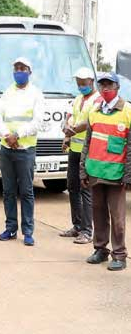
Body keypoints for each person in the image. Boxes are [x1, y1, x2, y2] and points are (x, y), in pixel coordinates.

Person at [81, 72, 128, 271]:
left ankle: (119, 255)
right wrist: (83, 171)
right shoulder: (94, 111)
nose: (105, 89)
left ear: (117, 87)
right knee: (98, 214)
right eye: (102, 85)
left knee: (117, 217)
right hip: (95, 172)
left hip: (116, 175)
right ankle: (100, 249)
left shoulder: (127, 112)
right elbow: (87, 143)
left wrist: (128, 175)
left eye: (109, 85)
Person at [0, 57, 45, 247]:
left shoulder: (36, 94)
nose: (19, 71)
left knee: (26, 192)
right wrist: (7, 135)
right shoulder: (7, 93)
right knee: (8, 191)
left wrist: (17, 135)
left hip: (25, 150)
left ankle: (28, 232)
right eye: (16, 68)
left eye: (22, 68)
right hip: (7, 149)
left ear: (29, 71)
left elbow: (37, 122)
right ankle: (10, 228)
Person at [60, 67, 99, 244]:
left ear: (92, 81)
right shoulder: (77, 99)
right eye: (78, 83)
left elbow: (89, 123)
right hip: (74, 151)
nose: (81, 85)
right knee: (72, 187)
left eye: (84, 83)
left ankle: (87, 231)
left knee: (86, 190)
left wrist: (72, 130)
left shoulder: (97, 100)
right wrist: (66, 135)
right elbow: (69, 118)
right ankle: (77, 226)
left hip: (89, 152)